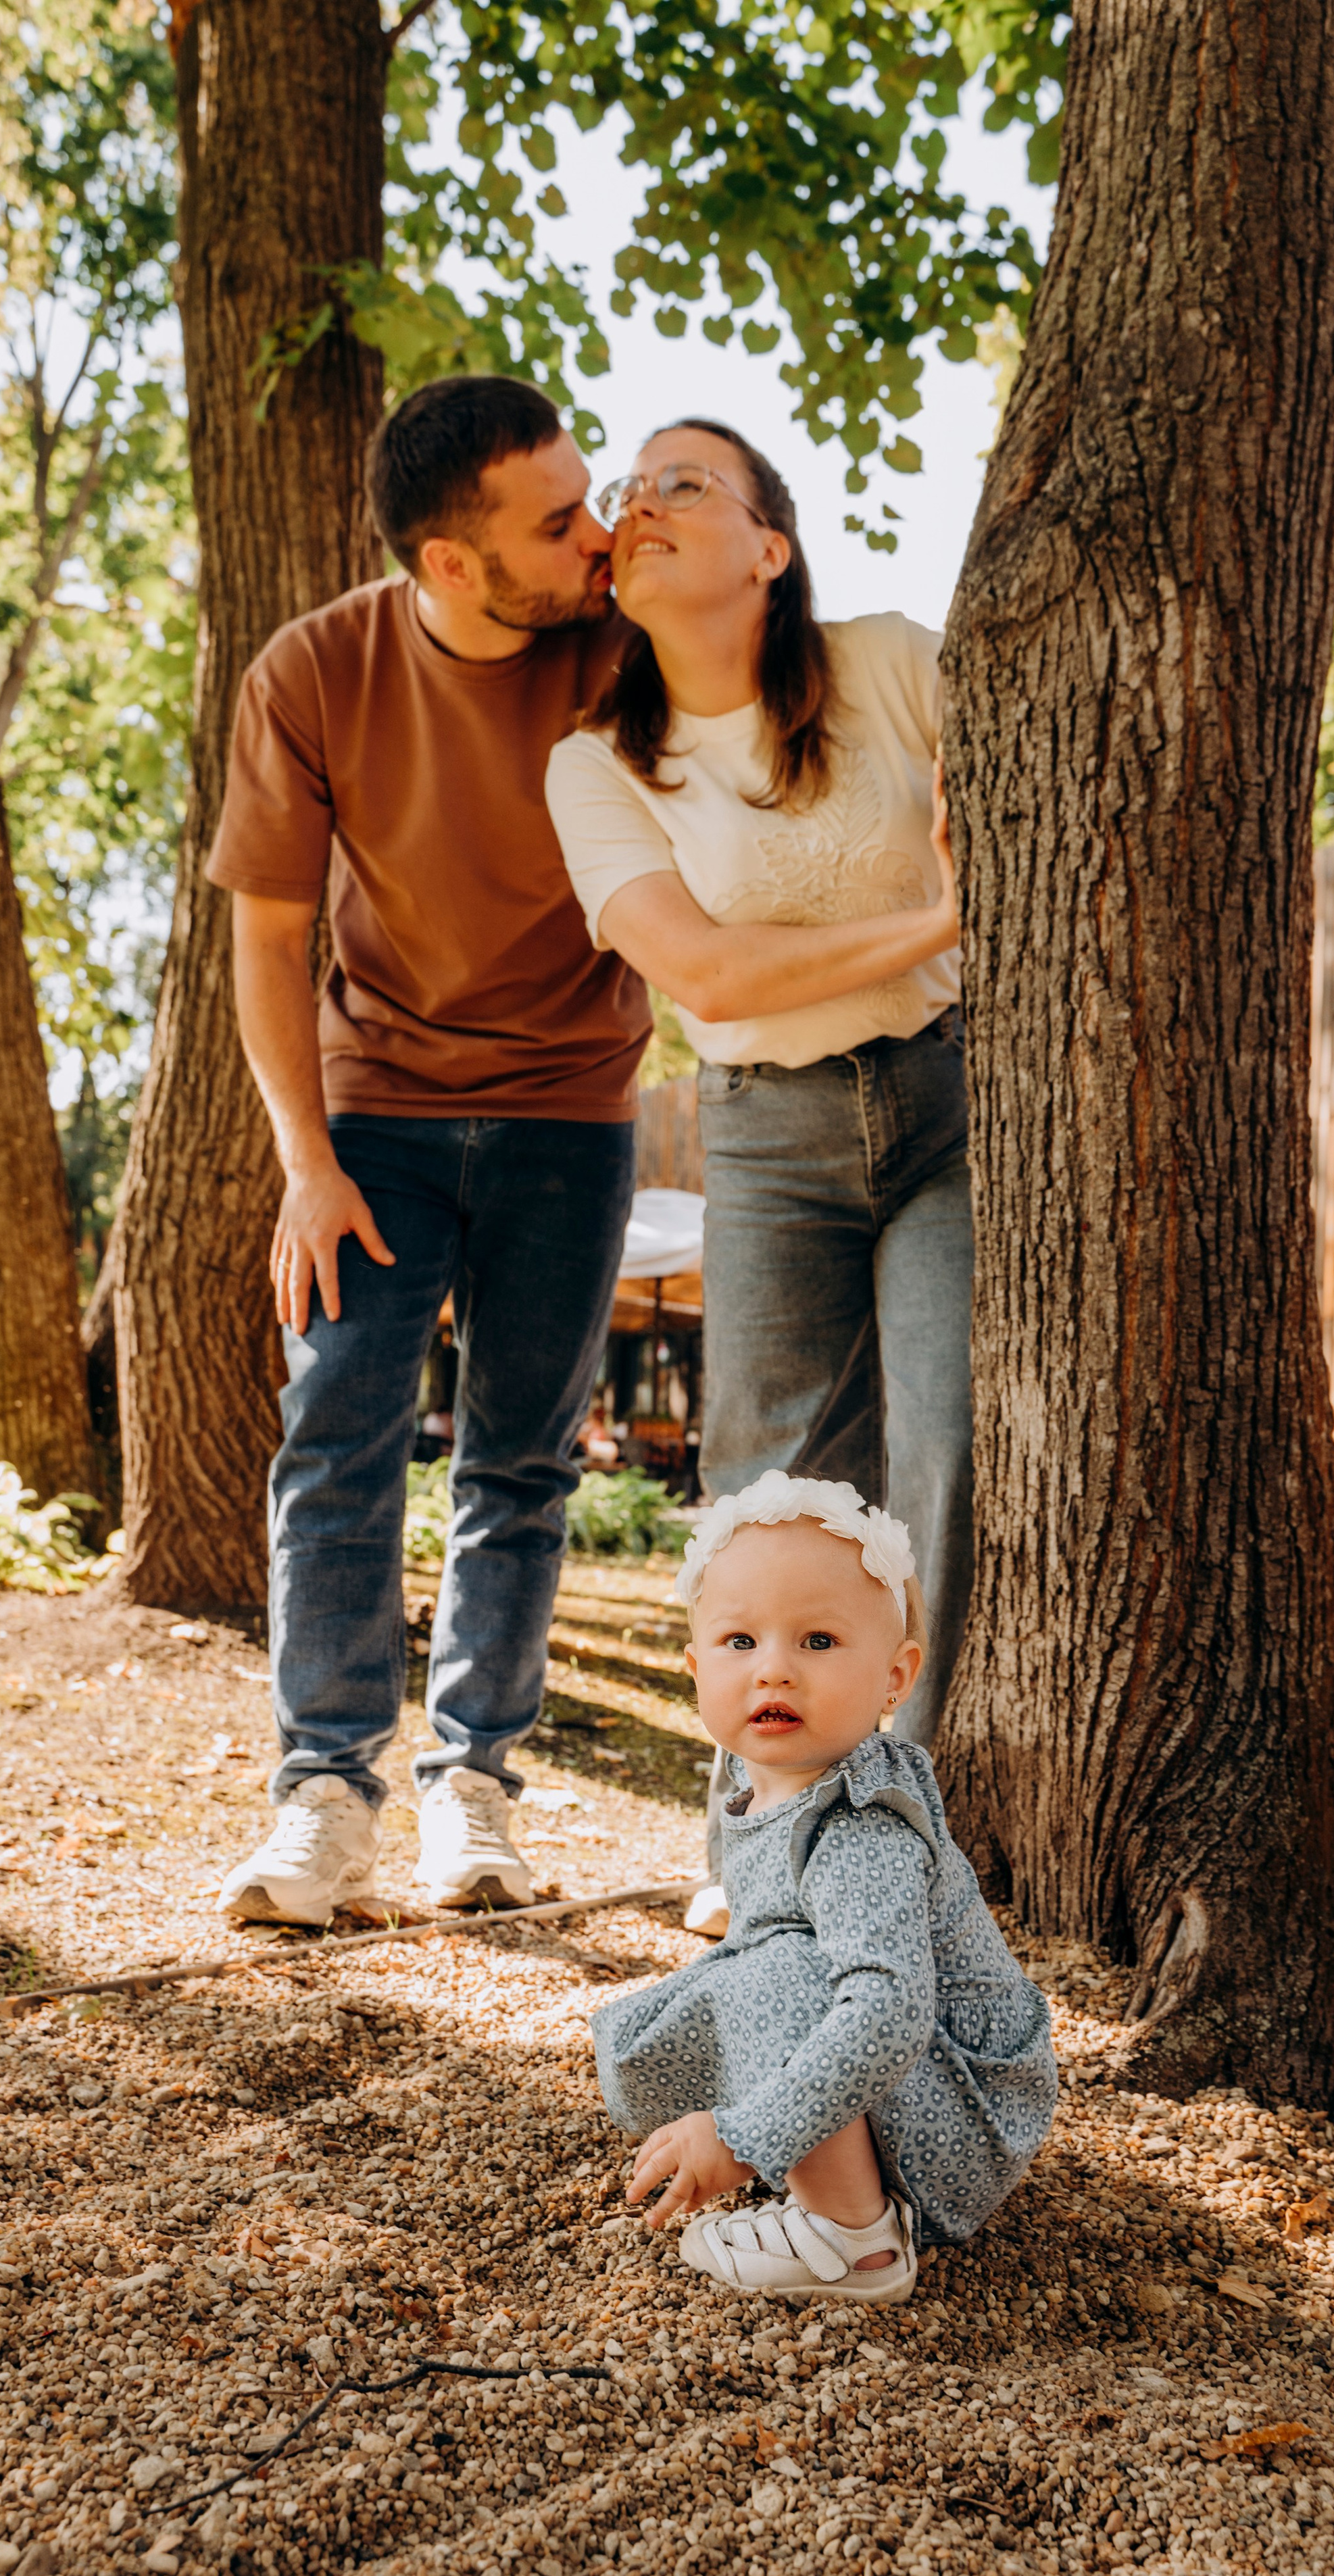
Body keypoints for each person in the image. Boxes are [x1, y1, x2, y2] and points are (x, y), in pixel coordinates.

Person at [209, 375, 649, 1925]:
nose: (592, 535)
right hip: (373, 1114)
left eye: (587, 497)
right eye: (556, 518)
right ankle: (323, 1795)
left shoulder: (619, 647)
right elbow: (267, 940)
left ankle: (475, 1792)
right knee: (334, 1440)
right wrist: (304, 1159)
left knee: (518, 1459)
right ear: (451, 561)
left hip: (572, 1108)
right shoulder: (316, 670)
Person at [544, 420, 968, 1935]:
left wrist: (939, 937)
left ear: (768, 548)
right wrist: (934, 918)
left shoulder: (889, 664)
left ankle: (888, 1827)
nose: (637, 507)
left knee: (941, 1456)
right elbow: (708, 976)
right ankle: (755, 1829)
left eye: (682, 483)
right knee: (764, 1484)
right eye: (625, 492)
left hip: (945, 1101)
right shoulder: (596, 767)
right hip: (766, 1128)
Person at [592, 1472, 1056, 2302]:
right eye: (741, 1642)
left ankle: (856, 2238)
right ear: (696, 1668)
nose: (774, 1671)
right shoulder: (756, 1767)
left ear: (895, 1676)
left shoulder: (859, 1822)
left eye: (817, 1641)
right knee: (719, 1988)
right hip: (918, 2085)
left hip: (963, 2114)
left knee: (777, 1976)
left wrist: (746, 2135)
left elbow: (889, 2010)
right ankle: (823, 2162)